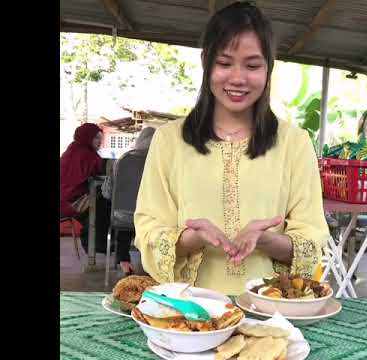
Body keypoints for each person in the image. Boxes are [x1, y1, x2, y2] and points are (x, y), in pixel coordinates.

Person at [134, 1, 330, 295]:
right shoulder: (168, 141)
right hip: (189, 311)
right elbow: (148, 230)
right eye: (224, 63)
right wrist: (193, 237)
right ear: (205, 62)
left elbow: (312, 240)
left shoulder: (295, 143)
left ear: (268, 68)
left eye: (252, 65)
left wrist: (265, 240)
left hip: (271, 309)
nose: (237, 78)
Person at [102, 126, 156, 275]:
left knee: (125, 214)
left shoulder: (122, 160)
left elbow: (107, 193)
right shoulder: (161, 162)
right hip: (152, 219)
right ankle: (152, 263)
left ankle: (123, 259)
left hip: (122, 217)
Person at [60, 123, 110, 254]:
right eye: (96, 138)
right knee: (104, 202)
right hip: (70, 202)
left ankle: (93, 242)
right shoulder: (85, 154)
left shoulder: (72, 150)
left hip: (66, 199)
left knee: (101, 201)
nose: (99, 141)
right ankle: (95, 244)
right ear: (87, 138)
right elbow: (100, 169)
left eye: (100, 138)